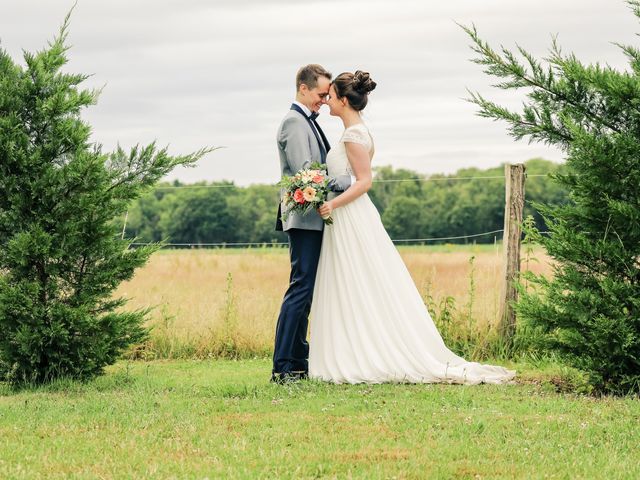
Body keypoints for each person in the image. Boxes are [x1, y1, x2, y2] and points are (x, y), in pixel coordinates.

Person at [310, 71, 516, 384]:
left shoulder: (353, 136)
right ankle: (356, 347)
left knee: (356, 278)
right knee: (356, 280)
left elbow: (365, 181)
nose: (326, 103)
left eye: (330, 97)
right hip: (349, 215)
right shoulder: (359, 131)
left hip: (349, 214)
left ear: (343, 100)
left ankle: (363, 353)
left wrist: (333, 204)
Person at [272, 64, 353, 384]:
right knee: (300, 288)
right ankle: (283, 365)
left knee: (306, 290)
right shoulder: (294, 123)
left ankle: (297, 357)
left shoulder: (305, 121)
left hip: (312, 218)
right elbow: (308, 173)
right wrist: (344, 182)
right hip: (303, 219)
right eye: (321, 94)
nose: (324, 99)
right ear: (303, 88)